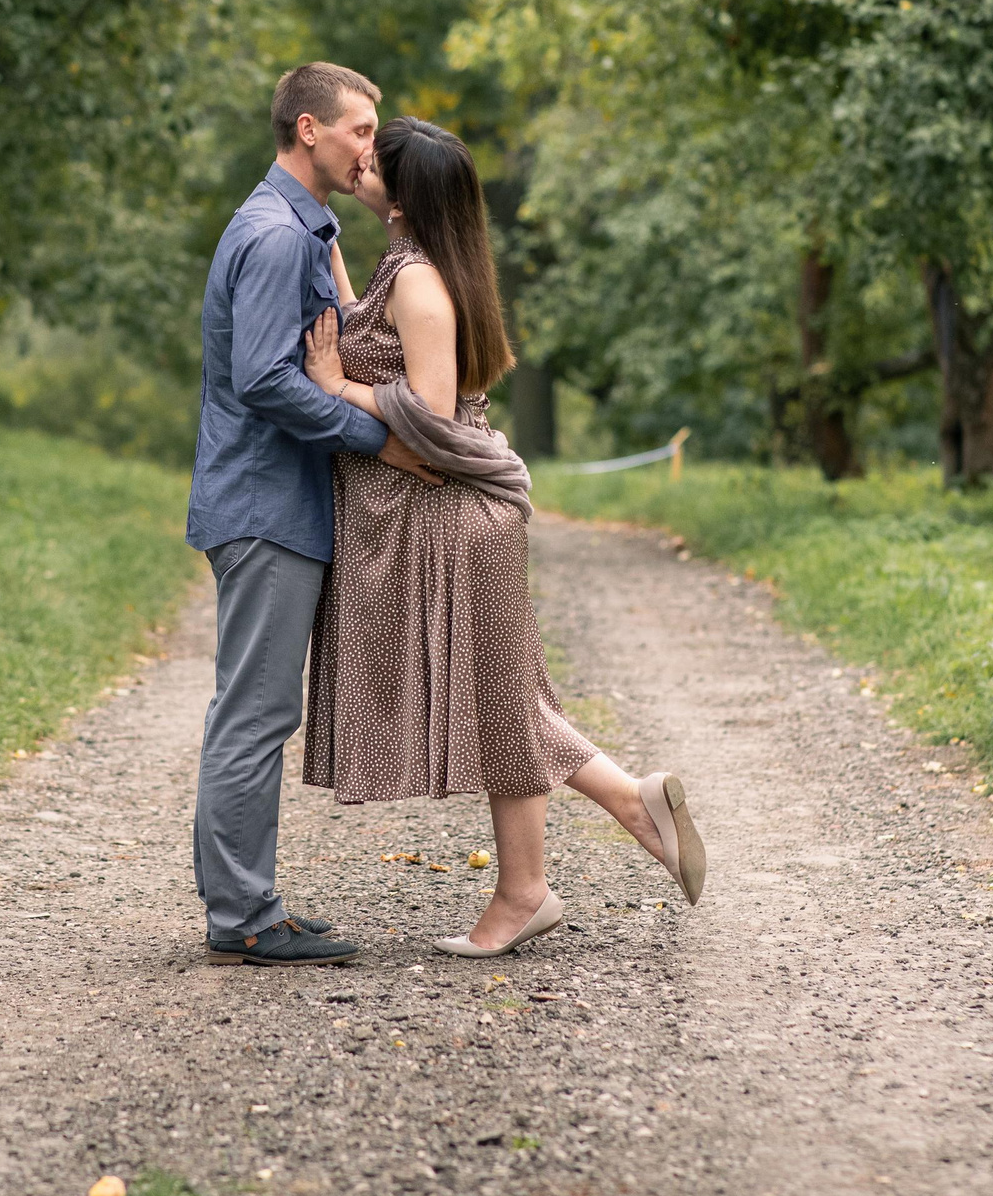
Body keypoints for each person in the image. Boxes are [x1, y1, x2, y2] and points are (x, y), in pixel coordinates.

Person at [301, 116, 708, 957]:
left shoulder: (418, 280)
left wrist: (342, 386)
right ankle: (627, 811)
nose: (363, 160)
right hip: (457, 525)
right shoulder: (414, 267)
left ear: (407, 197)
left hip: (457, 523)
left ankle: (531, 886)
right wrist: (333, 261)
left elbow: (432, 407)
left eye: (378, 158)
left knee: (503, 711)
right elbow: (384, 337)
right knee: (509, 705)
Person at [187, 62, 440, 966]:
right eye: (362, 130)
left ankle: (240, 902)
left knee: (251, 710)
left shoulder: (305, 229)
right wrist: (381, 442)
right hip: (264, 502)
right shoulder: (276, 235)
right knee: (254, 714)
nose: (373, 148)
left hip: (278, 500)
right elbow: (262, 379)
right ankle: (244, 917)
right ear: (308, 129)